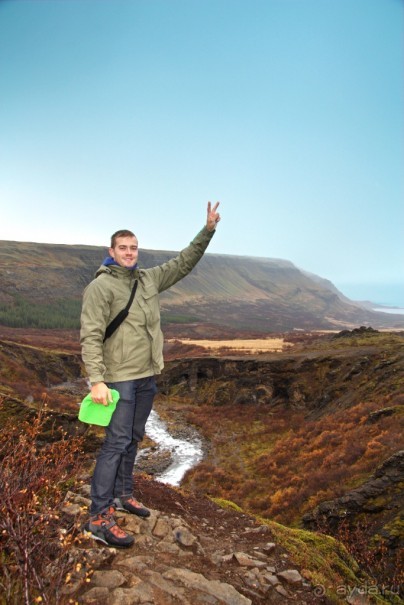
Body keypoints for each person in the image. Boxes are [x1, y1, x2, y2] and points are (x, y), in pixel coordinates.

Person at [80, 202, 221, 547]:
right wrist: (96, 379)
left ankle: (124, 495)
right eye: (123, 248)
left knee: (134, 437)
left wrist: (207, 231)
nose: (129, 253)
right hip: (119, 378)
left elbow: (184, 262)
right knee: (115, 442)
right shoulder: (100, 288)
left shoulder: (148, 279)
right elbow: (91, 334)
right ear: (111, 252)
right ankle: (98, 516)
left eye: (134, 248)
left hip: (145, 375)